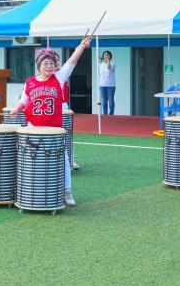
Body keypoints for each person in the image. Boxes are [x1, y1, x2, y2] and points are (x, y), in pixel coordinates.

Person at [11, 37, 92, 207]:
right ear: (39, 65)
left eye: (51, 63)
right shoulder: (30, 82)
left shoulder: (59, 76)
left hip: (54, 128)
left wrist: (81, 46)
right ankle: (30, 189)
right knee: (32, 159)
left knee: (63, 160)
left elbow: (72, 60)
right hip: (33, 127)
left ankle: (67, 191)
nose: (48, 66)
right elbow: (25, 101)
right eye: (45, 63)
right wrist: (16, 110)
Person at [98, 50, 116, 115]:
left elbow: (108, 67)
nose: (105, 56)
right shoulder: (100, 65)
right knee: (104, 100)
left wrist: (108, 59)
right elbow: (99, 74)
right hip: (102, 84)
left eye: (107, 55)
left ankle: (111, 113)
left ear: (110, 56)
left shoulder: (113, 64)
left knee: (111, 99)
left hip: (111, 85)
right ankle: (105, 113)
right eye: (105, 54)